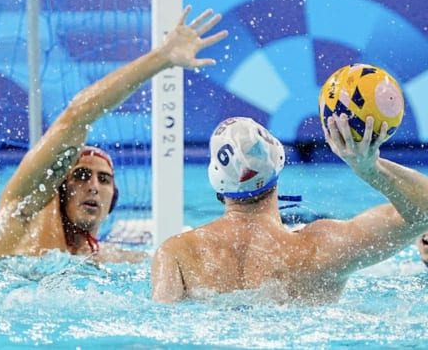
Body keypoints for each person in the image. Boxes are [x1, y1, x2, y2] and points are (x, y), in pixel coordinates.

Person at [0, 6, 229, 263]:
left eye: (104, 179)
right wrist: (163, 57)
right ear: (59, 190)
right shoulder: (22, 216)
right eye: (82, 176)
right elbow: (76, 115)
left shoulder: (108, 260)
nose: (94, 187)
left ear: (113, 200)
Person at [151, 115, 428, 304]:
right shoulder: (322, 248)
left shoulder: (177, 253)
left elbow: (160, 326)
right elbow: (423, 212)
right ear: (279, 160)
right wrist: (371, 169)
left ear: (217, 182)